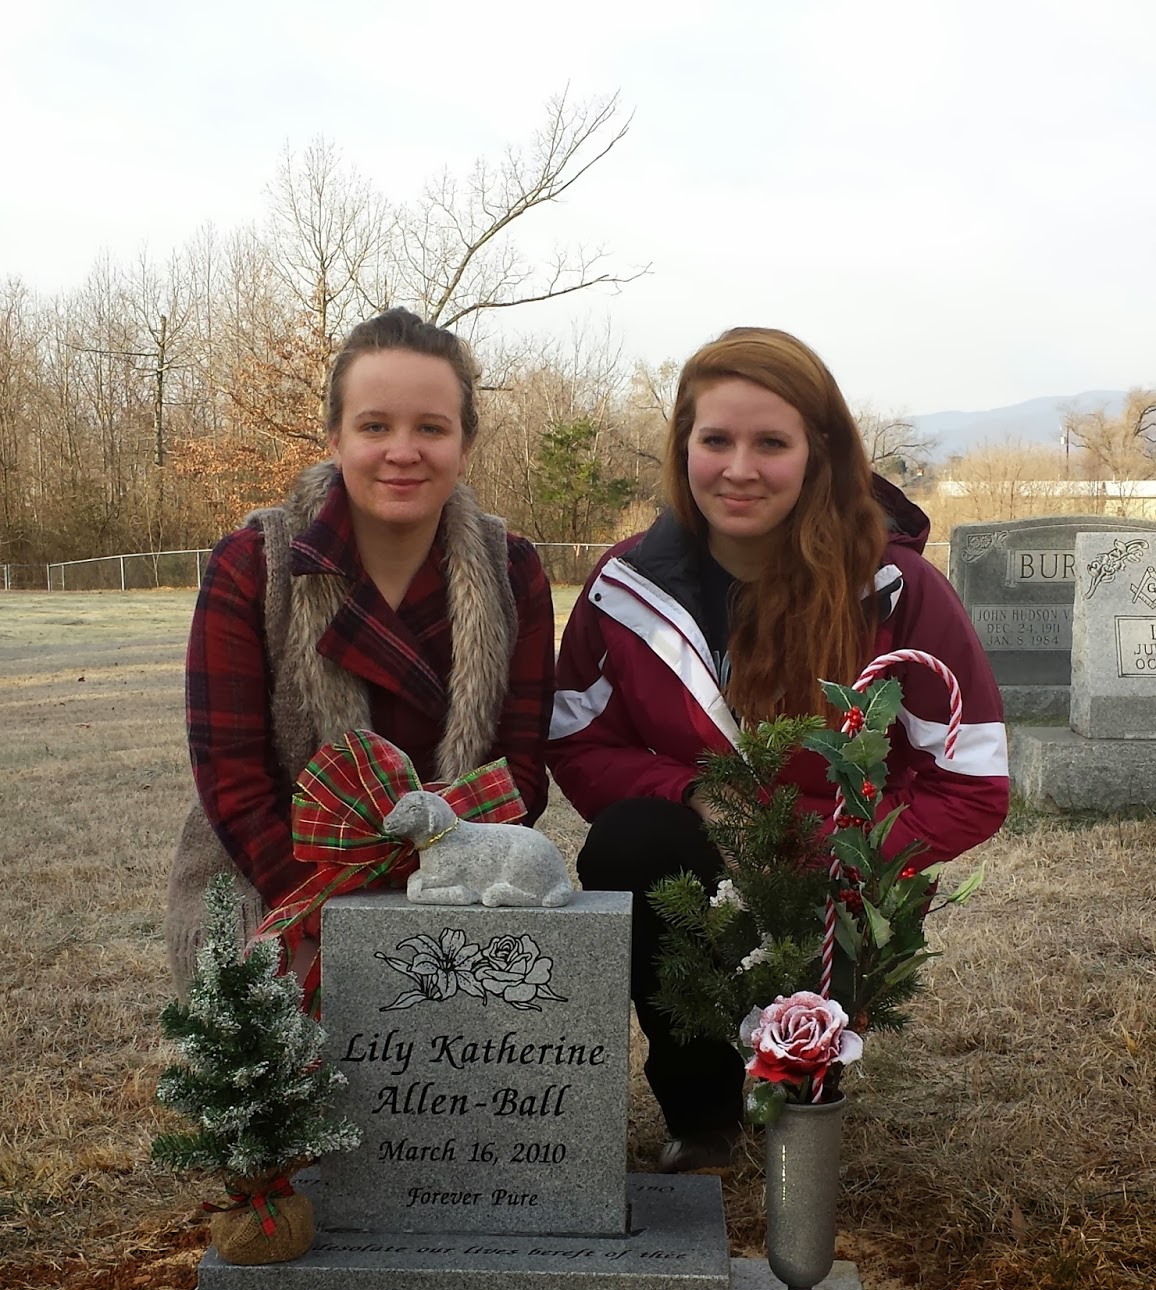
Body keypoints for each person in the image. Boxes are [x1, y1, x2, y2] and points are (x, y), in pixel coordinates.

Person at [548, 327, 1009, 1175]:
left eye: (772, 443)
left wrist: (820, 847)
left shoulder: (899, 588)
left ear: (820, 450)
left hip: (834, 882)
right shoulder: (623, 587)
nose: (739, 468)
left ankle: (801, 1071)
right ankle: (702, 1113)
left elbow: (972, 784)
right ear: (683, 443)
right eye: (715, 439)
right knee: (631, 842)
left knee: (797, 1077)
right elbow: (577, 738)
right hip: (699, 866)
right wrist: (693, 793)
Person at [166, 308, 554, 990]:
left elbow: (517, 773)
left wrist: (427, 893)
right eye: (375, 426)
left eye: (431, 428)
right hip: (275, 877)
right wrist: (326, 915)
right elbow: (233, 783)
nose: (402, 451)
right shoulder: (250, 565)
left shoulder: (514, 572)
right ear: (335, 438)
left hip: (454, 875)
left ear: (465, 446)